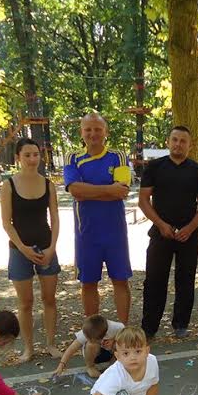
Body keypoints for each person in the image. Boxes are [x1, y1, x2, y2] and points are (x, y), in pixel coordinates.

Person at [138, 126, 198, 339]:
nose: (178, 144)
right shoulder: (154, 167)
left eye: (183, 141)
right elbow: (143, 200)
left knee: (185, 279)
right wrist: (160, 224)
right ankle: (149, 327)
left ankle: (180, 324)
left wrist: (191, 228)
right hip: (161, 233)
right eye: (175, 140)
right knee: (154, 280)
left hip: (188, 235)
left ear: (190, 144)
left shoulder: (196, 170)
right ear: (168, 142)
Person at [64, 113, 132, 324]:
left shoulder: (118, 156)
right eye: (88, 129)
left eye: (97, 129)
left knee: (120, 280)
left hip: (115, 232)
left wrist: (89, 190)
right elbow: (74, 190)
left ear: (106, 132)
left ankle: (123, 329)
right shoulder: (72, 158)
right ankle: (93, 332)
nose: (93, 134)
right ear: (81, 132)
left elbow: (121, 191)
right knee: (88, 283)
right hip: (86, 233)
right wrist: (108, 190)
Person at [0, 137, 61, 363]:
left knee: (49, 299)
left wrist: (52, 247)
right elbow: (7, 223)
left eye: (36, 154)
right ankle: (28, 348)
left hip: (46, 247)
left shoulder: (48, 184)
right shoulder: (9, 185)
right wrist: (23, 249)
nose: (32, 159)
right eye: (27, 155)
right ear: (18, 158)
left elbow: (54, 218)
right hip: (19, 250)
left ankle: (51, 343)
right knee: (25, 303)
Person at [54, 314, 124, 379]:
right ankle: (90, 366)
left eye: (93, 339)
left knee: (121, 342)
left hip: (111, 353)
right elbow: (72, 348)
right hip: (94, 355)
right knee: (91, 345)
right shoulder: (88, 331)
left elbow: (129, 336)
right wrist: (61, 365)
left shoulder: (117, 327)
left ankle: (114, 363)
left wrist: (114, 340)